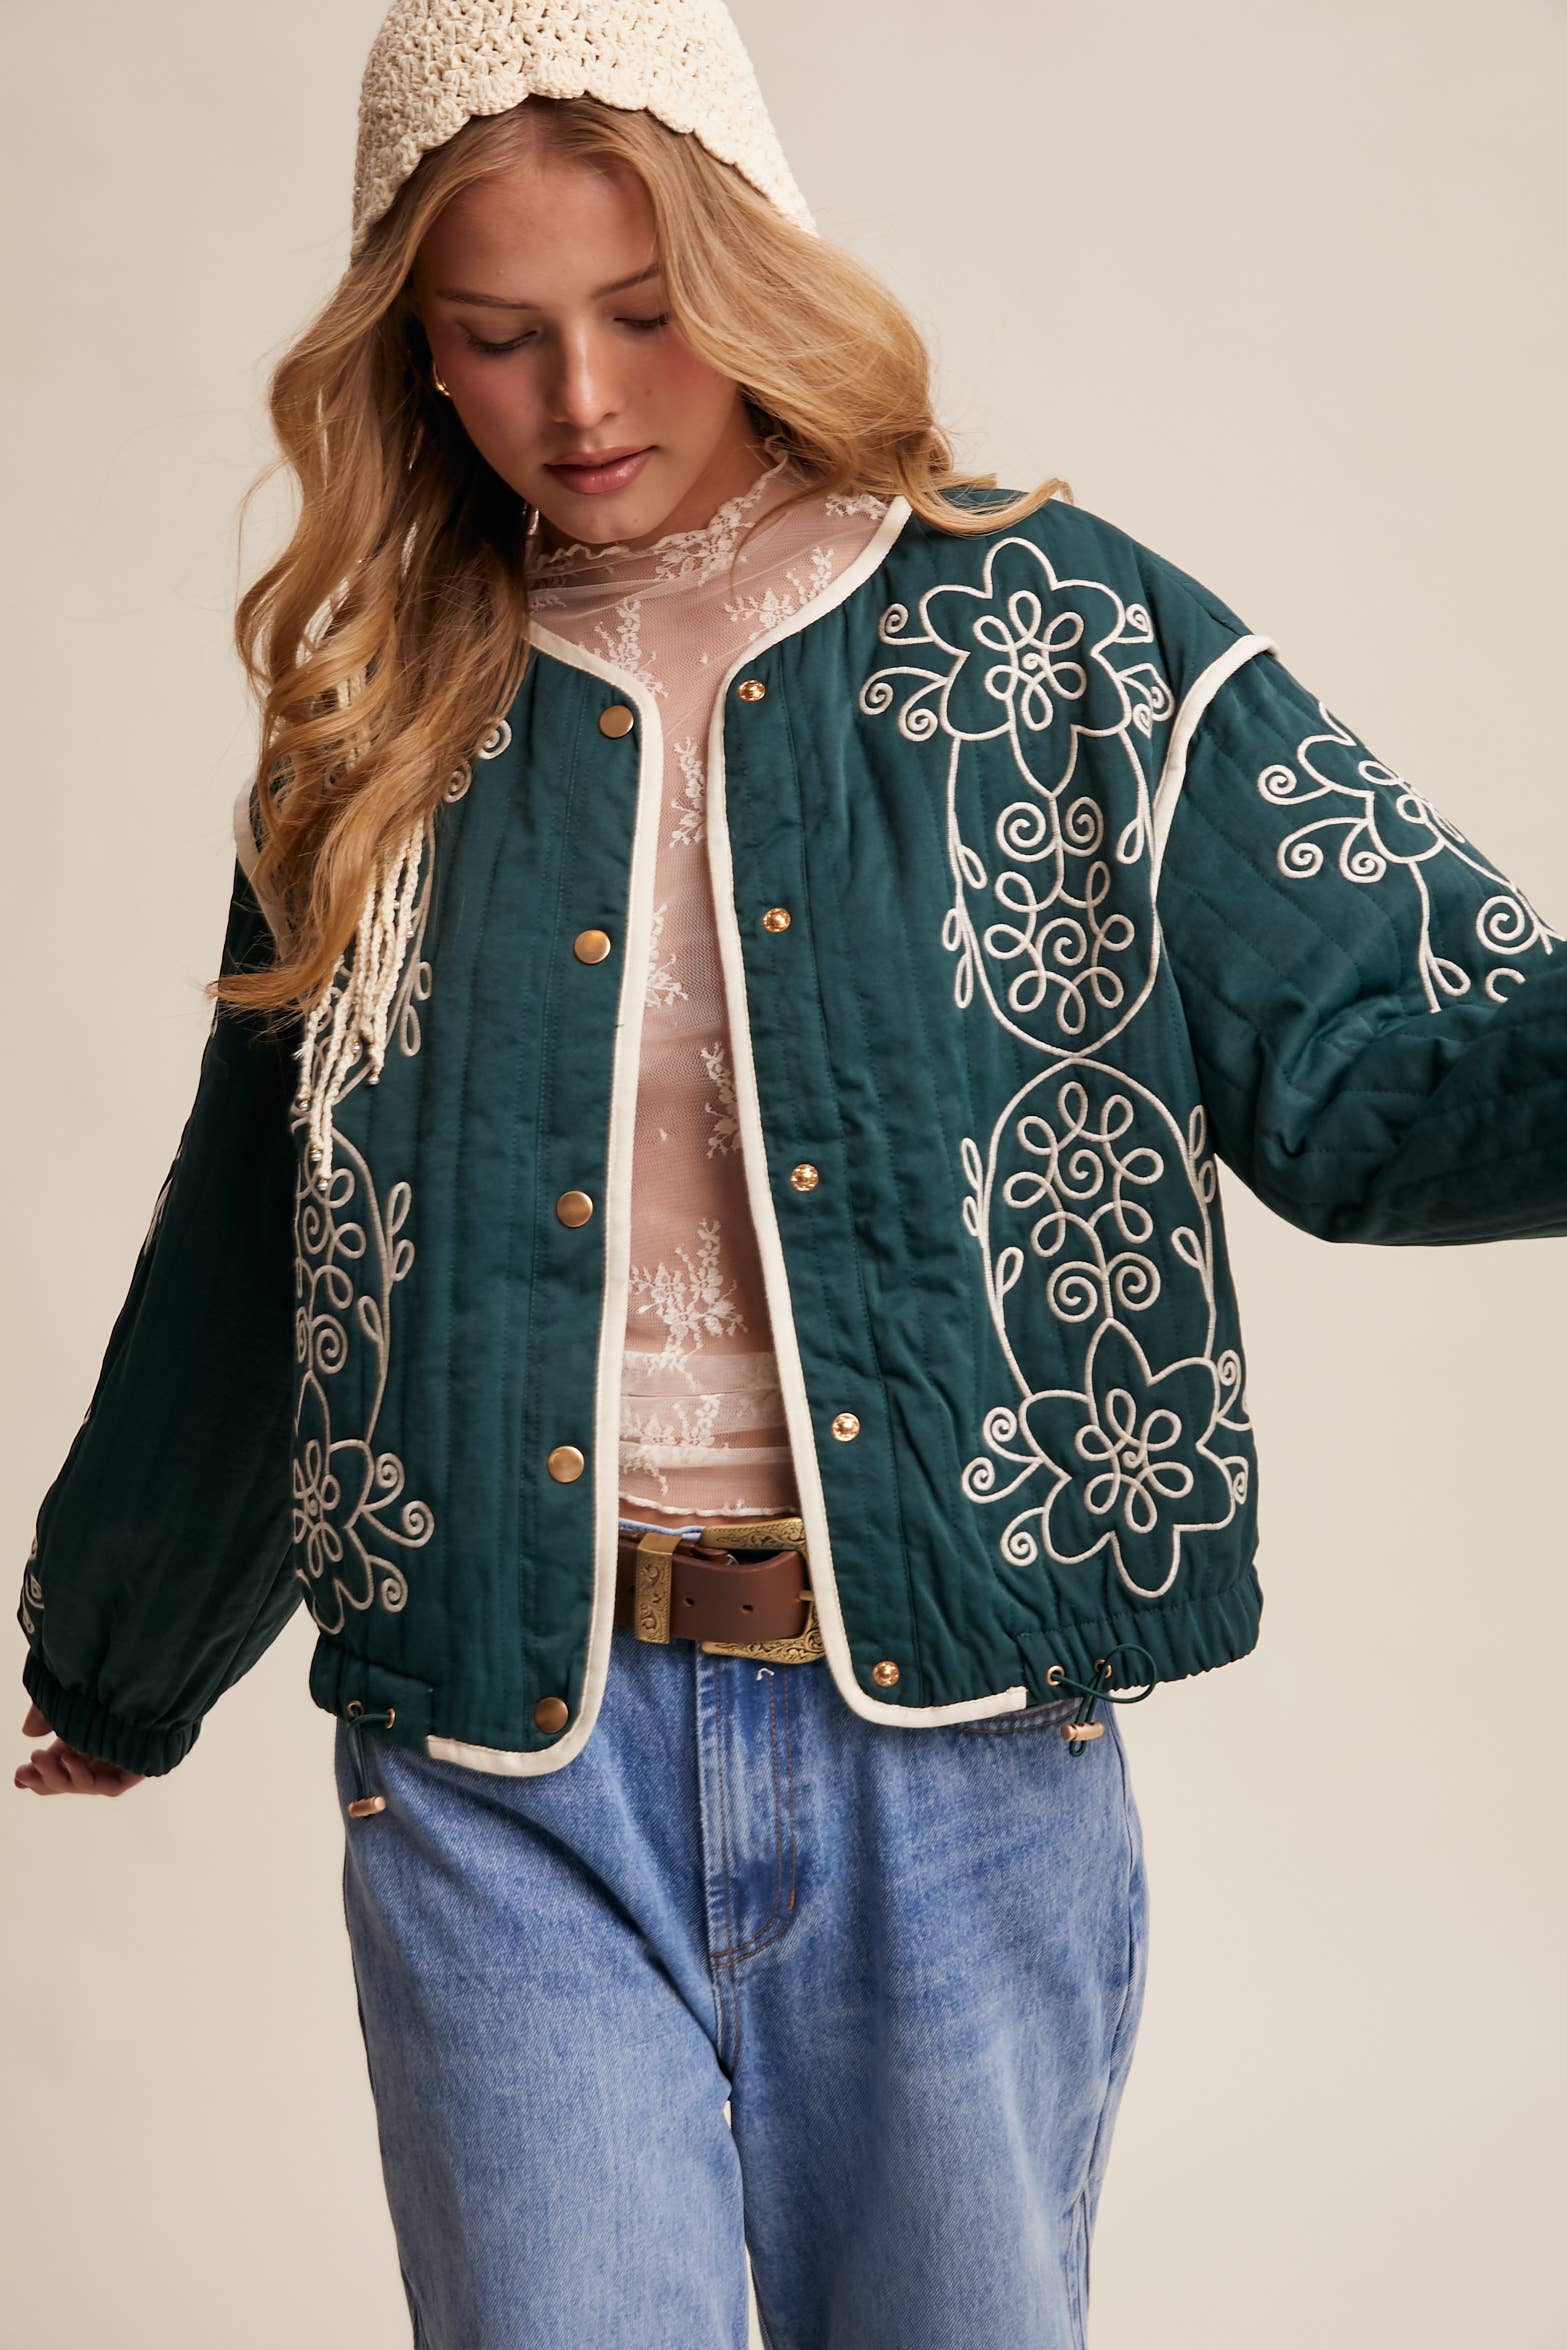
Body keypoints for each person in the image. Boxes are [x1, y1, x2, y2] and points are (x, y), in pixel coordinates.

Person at [14, 2, 1567, 2344]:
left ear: (752, 268)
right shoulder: (373, 722)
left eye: (645, 310)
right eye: (497, 336)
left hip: (956, 1751)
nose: (582, 397)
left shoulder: (1050, 631)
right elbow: (265, 1237)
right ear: (412, 353)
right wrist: (126, 1645)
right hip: (495, 1757)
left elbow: (1383, 1063)